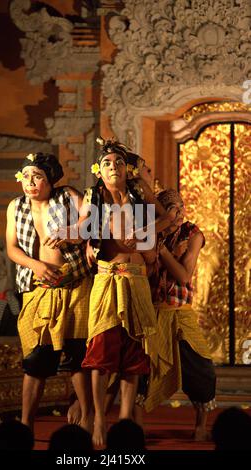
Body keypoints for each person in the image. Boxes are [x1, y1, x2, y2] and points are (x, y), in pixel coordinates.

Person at [6, 152, 92, 433]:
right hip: (38, 287)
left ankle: (88, 416)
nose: (30, 182)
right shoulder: (15, 206)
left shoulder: (67, 195)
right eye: (26, 176)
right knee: (35, 360)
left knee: (78, 354)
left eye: (38, 177)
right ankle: (25, 424)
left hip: (75, 285)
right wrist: (35, 265)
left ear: (50, 180)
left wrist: (71, 233)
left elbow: (91, 220)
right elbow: (12, 248)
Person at [80, 138, 158, 446]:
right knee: (101, 352)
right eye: (108, 163)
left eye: (120, 163)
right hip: (108, 280)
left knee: (133, 354)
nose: (114, 167)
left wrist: (140, 177)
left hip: (136, 279)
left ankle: (126, 423)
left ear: (129, 170)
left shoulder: (138, 198)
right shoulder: (93, 197)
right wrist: (84, 238)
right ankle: (99, 417)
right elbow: (83, 229)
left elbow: (153, 222)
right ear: (98, 170)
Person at [144, 188, 216, 441]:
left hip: (181, 312)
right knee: (146, 367)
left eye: (180, 208)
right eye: (171, 208)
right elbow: (146, 274)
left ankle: (201, 423)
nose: (177, 214)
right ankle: (134, 423)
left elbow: (184, 276)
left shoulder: (192, 233)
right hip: (153, 311)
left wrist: (163, 254)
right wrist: (169, 254)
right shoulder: (149, 233)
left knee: (201, 366)